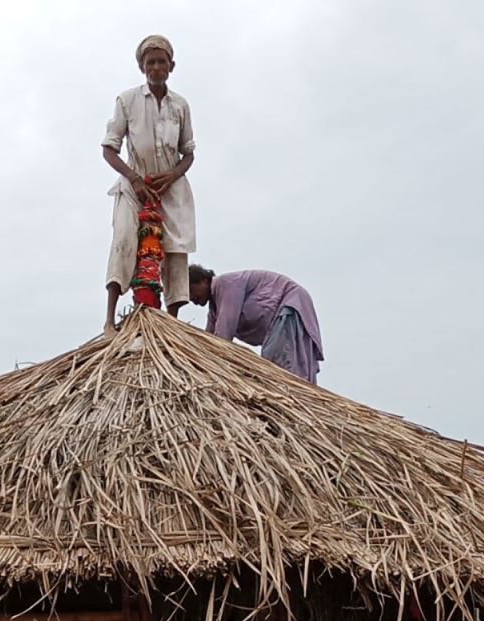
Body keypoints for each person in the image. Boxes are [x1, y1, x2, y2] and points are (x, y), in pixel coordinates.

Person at [101, 35, 197, 334]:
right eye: (150, 62)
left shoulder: (180, 106)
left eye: (161, 62)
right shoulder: (127, 100)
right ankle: (109, 320)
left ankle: (172, 323)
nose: (156, 67)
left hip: (170, 189)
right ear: (142, 68)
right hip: (135, 186)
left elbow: (189, 153)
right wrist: (134, 179)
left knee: (175, 249)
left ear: (171, 66)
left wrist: (172, 176)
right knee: (124, 241)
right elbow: (109, 148)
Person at [188, 267, 324, 384]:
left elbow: (223, 335)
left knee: (280, 367)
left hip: (288, 305)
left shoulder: (225, 284)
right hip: (280, 317)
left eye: (192, 291)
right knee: (275, 363)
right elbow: (209, 339)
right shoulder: (214, 309)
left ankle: (293, 401)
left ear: (203, 281)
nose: (192, 298)